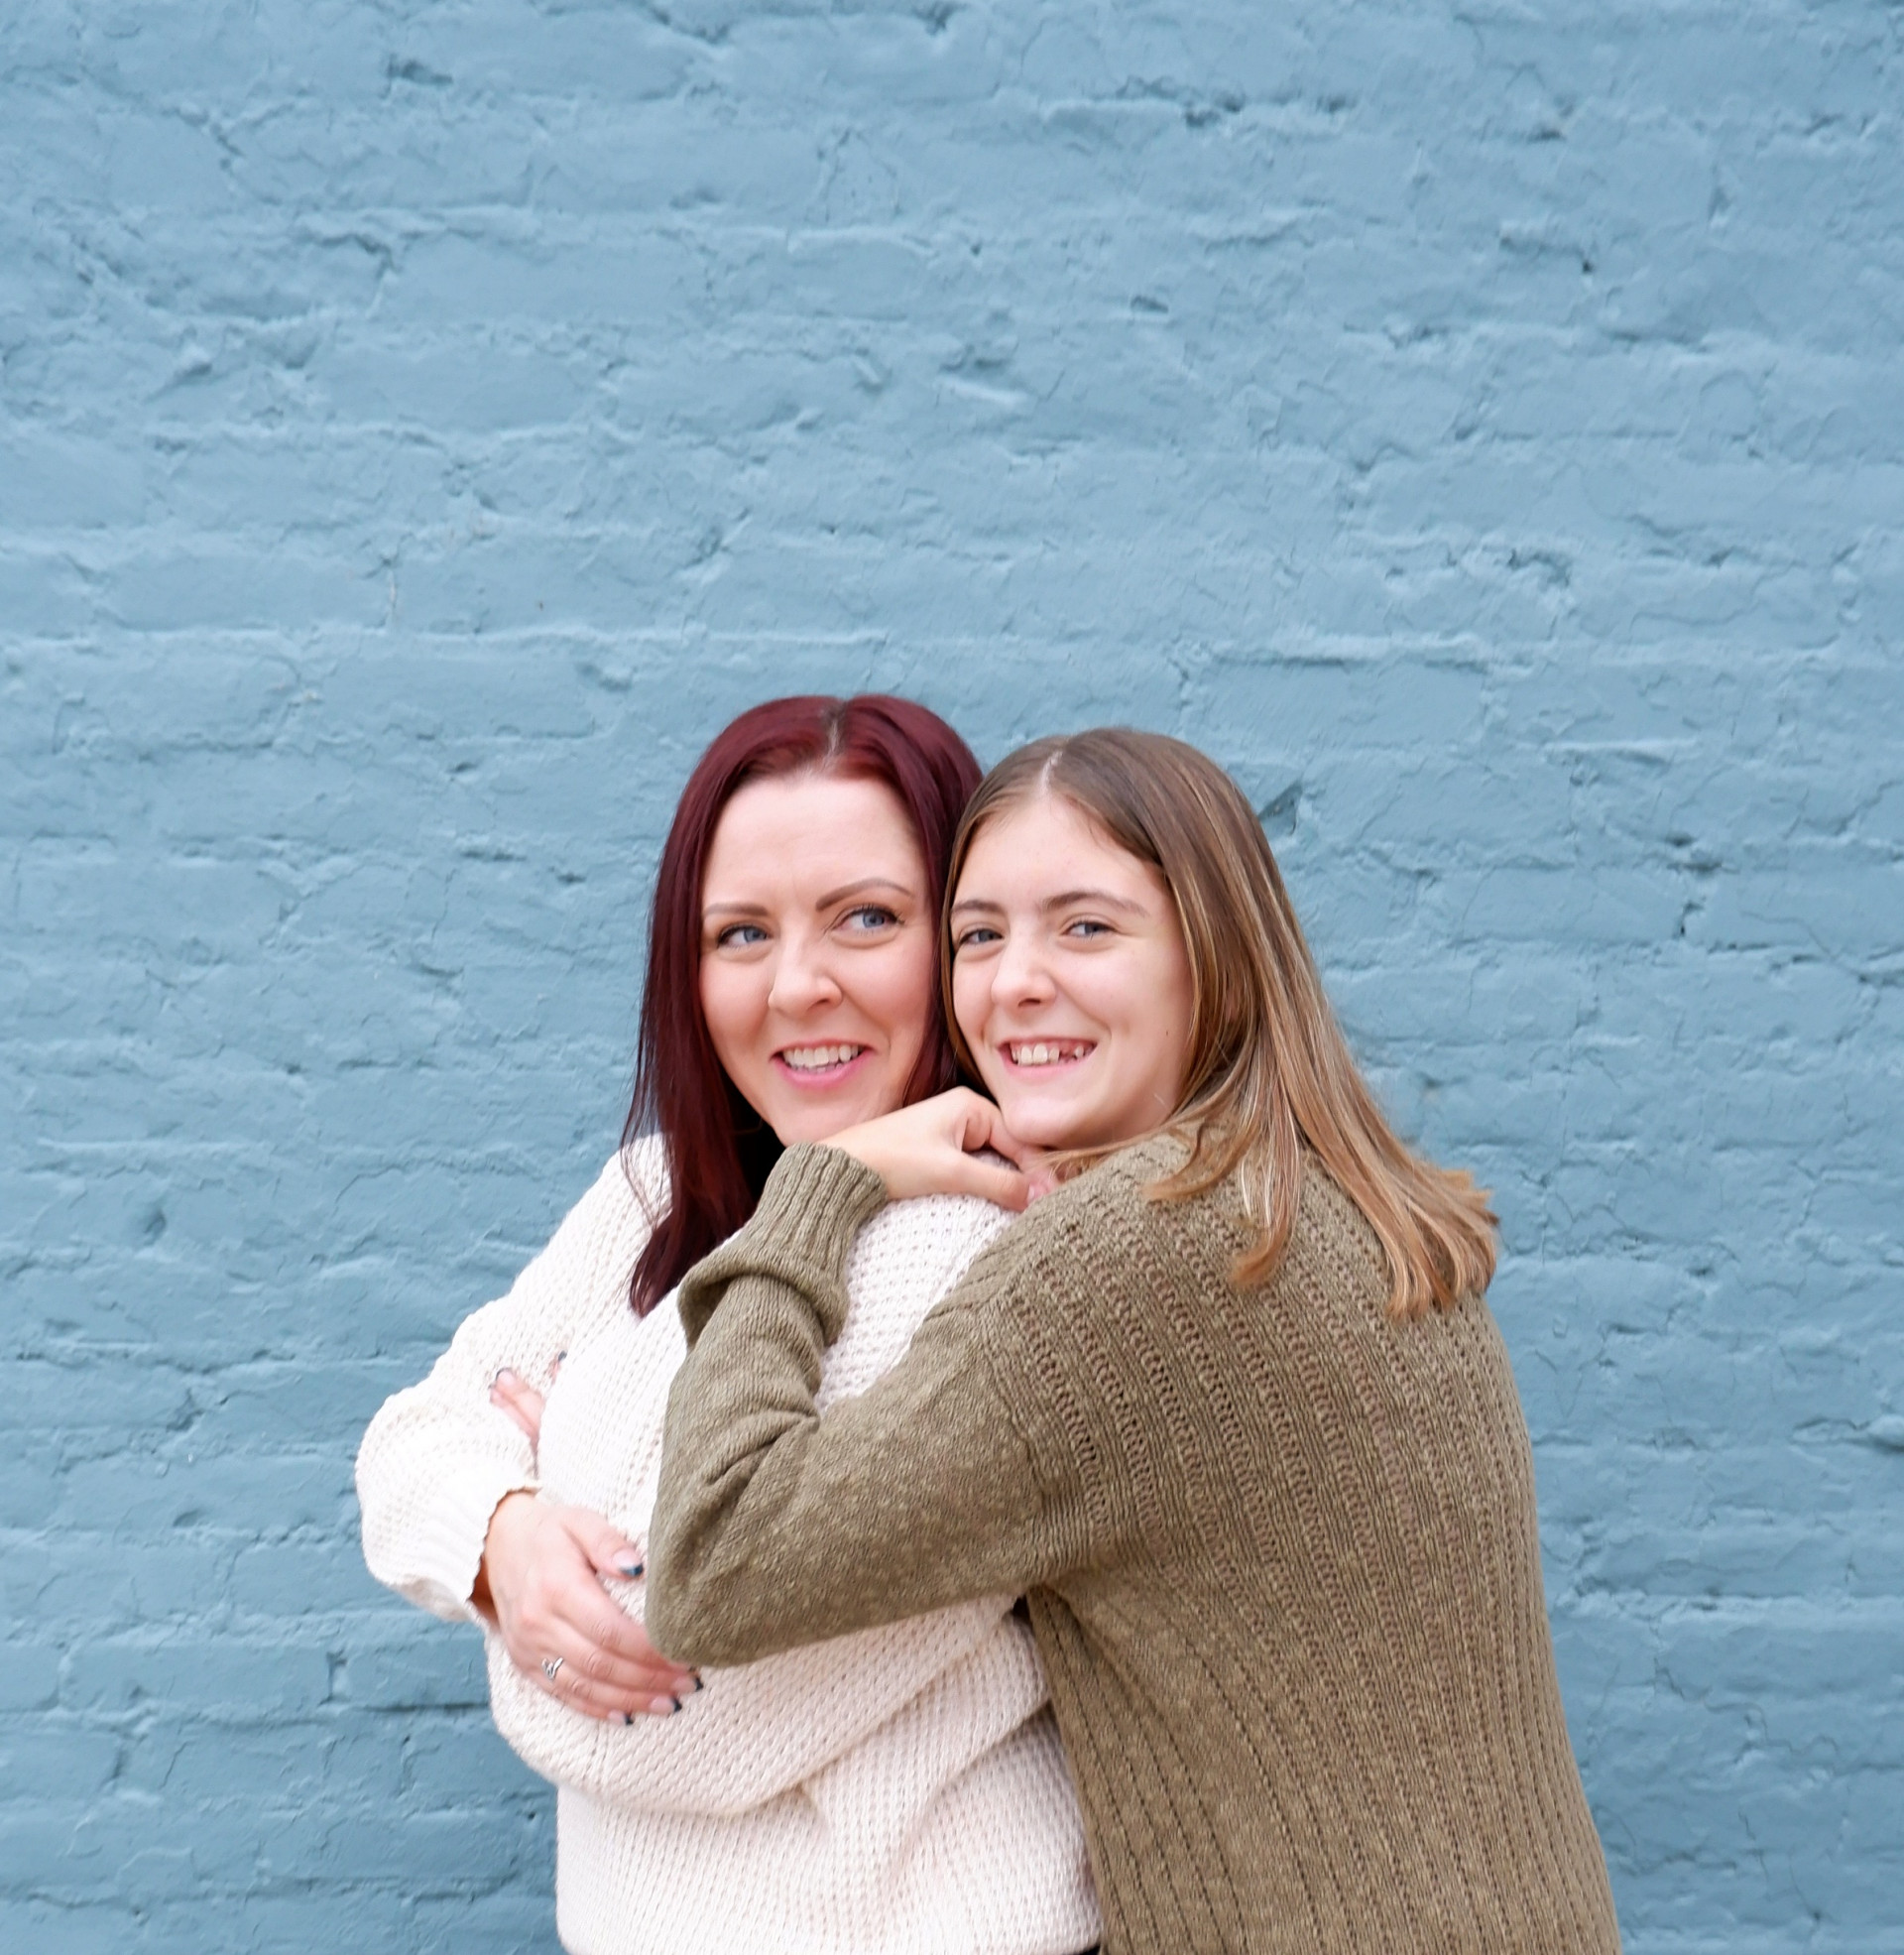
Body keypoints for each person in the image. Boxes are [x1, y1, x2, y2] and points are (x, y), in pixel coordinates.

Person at [648, 728, 1623, 1953]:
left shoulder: (1126, 1261)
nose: (1014, 982)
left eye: (1087, 928)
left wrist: (818, 1187)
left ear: (1214, 958)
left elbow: (715, 1560)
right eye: (978, 936)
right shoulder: (1338, 1202)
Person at [355, 696, 1099, 1955]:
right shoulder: (654, 1194)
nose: (798, 986)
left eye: (867, 918)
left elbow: (659, 1677)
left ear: (960, 939)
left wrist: (558, 1433)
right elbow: (408, 1442)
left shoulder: (976, 1250)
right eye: (741, 933)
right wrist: (505, 1536)